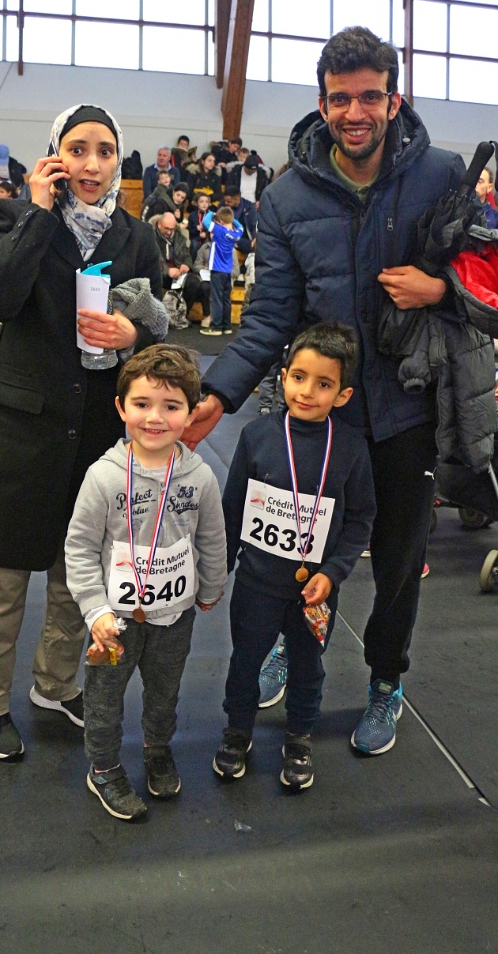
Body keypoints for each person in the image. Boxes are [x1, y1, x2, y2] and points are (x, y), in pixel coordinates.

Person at [184, 25, 479, 757]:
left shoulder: (442, 174)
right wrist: (216, 394)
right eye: (340, 99)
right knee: (304, 553)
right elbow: (268, 317)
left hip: (408, 409)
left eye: (369, 97)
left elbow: (485, 281)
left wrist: (438, 288)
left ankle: (386, 679)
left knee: (398, 565)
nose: (355, 112)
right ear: (321, 104)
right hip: (323, 419)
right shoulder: (286, 196)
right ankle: (297, 645)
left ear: (394, 100)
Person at [0, 103, 165, 761]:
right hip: (20, 429)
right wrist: (38, 213)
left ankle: (55, 683)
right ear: (54, 155)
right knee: (3, 580)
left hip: (96, 433)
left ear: (117, 160)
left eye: (104, 151)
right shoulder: (16, 216)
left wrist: (132, 332)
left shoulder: (136, 236)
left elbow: (156, 323)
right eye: (77, 148)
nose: (91, 164)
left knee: (78, 577)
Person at [65, 344, 227, 820]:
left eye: (171, 406)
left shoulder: (200, 478)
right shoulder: (103, 478)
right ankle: (103, 767)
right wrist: (95, 610)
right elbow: (79, 549)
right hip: (114, 622)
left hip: (173, 616)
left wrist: (211, 587)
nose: (155, 418)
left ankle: (158, 748)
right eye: (142, 404)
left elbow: (212, 539)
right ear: (121, 408)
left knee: (164, 691)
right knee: (103, 697)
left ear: (191, 414)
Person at [214, 324, 376, 789]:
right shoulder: (257, 436)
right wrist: (219, 570)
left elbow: (360, 518)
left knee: (307, 667)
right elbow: (232, 509)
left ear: (342, 395)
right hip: (257, 583)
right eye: (299, 378)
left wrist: (334, 572)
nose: (307, 392)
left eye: (323, 384)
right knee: (245, 662)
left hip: (314, 591)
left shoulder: (350, 447)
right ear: (283, 377)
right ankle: (237, 731)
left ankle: (300, 736)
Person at [199, 206, 242, 337]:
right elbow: (240, 226)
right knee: (225, 299)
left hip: (217, 271)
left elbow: (205, 221)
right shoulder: (236, 234)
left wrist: (213, 213)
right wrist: (231, 220)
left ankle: (216, 327)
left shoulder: (219, 230)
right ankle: (226, 326)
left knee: (216, 299)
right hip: (227, 272)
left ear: (221, 222)